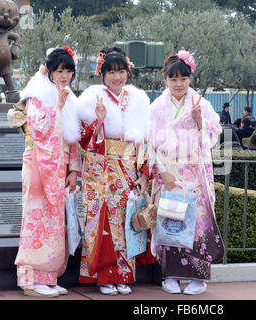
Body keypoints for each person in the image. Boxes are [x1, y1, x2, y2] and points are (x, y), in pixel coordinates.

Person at [76, 46, 156, 295]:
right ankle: (102, 275)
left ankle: (123, 275)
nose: (116, 77)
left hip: (128, 168)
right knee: (101, 221)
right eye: (111, 72)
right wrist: (99, 121)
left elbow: (146, 140)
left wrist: (144, 173)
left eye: (120, 71)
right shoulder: (91, 98)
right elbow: (82, 139)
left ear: (127, 73)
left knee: (125, 221)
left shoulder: (139, 100)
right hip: (100, 171)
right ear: (103, 74)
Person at [148, 50, 224, 295]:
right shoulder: (157, 107)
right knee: (171, 222)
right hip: (169, 173)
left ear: (190, 79)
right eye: (173, 79)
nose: (178, 84)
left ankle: (198, 277)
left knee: (197, 225)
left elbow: (214, 135)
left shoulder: (200, 104)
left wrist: (199, 120)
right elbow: (149, 142)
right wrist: (162, 171)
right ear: (166, 80)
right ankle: (169, 275)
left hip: (194, 173)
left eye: (183, 79)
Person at [14, 47, 82, 297]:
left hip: (59, 163)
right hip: (38, 163)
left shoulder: (69, 96)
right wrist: (58, 108)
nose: (64, 76)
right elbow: (37, 127)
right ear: (50, 72)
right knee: (36, 218)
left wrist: (73, 169)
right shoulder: (38, 94)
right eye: (59, 71)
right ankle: (31, 279)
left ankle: (49, 276)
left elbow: (72, 137)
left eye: (68, 71)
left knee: (55, 222)